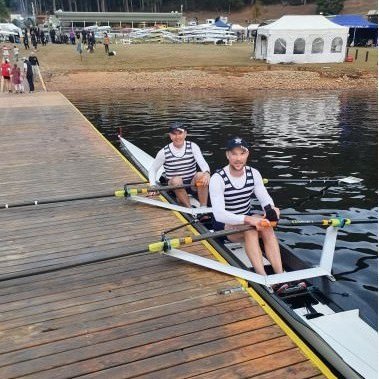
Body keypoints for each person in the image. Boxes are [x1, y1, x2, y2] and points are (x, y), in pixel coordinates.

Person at [209, 137, 287, 292]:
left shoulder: (254, 173)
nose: (238, 158)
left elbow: (265, 199)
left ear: (247, 154)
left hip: (246, 218)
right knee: (250, 229)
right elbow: (219, 214)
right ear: (227, 155)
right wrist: (248, 219)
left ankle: (280, 276)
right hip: (224, 224)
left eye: (242, 153)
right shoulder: (218, 178)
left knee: (267, 227)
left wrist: (272, 210)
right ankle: (263, 278)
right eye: (234, 154)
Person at [148, 122, 210, 209]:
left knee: (201, 175)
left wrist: (207, 173)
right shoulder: (164, 152)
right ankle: (190, 209)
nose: (177, 137)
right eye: (174, 134)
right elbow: (153, 170)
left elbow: (202, 163)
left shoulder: (193, 146)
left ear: (185, 134)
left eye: (180, 133)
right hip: (174, 186)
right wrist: (152, 185)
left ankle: (203, 208)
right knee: (177, 180)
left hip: (192, 185)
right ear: (170, 136)